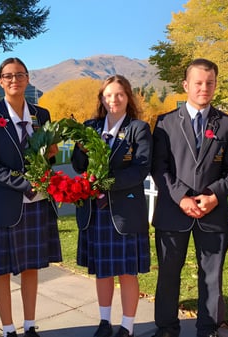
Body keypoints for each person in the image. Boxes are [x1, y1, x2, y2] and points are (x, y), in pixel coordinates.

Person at [150, 58, 228, 337]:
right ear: (186, 85)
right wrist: (182, 197)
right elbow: (159, 167)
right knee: (168, 275)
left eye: (209, 83)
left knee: (211, 276)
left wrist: (213, 195)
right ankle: (166, 327)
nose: (204, 88)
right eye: (198, 83)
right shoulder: (165, 123)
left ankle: (208, 328)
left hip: (212, 213)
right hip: (173, 211)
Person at [0, 57, 61, 337]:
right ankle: (8, 329)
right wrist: (25, 184)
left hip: (37, 205)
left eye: (20, 75)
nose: (15, 80)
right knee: (2, 271)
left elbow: (48, 157)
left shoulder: (42, 114)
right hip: (5, 204)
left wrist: (51, 157)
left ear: (28, 79)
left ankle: (29, 325)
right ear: (0, 81)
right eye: (8, 76)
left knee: (31, 267)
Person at [71, 75, 152, 337]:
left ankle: (127, 326)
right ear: (102, 99)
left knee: (127, 272)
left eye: (119, 94)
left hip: (124, 211)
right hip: (95, 212)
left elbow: (140, 170)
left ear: (128, 97)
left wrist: (107, 183)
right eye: (108, 95)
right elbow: (78, 165)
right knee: (103, 270)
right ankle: (104, 322)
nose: (113, 100)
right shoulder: (89, 126)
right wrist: (81, 150)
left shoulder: (138, 129)